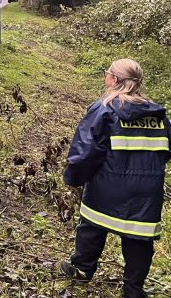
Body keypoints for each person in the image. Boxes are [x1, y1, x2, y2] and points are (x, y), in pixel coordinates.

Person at [60, 59, 170, 298]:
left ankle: (81, 270)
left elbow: (85, 151)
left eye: (107, 73)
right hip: (147, 192)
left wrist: (74, 178)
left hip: (108, 185)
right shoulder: (158, 114)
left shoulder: (104, 109)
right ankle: (133, 290)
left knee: (91, 226)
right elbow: (166, 151)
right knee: (139, 240)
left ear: (115, 80)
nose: (105, 77)